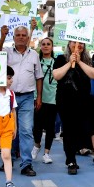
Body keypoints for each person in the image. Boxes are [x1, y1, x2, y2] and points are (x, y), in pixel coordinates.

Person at [0, 21, 42, 177]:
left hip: (28, 97)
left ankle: (26, 163)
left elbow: (39, 77)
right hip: (8, 96)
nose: (21, 38)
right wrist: (2, 36)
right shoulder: (6, 51)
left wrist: (39, 97)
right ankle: (8, 159)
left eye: (24, 35)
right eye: (18, 35)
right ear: (13, 37)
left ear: (27, 37)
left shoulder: (34, 54)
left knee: (26, 130)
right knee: (8, 130)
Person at [53, 41, 94, 175]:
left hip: (83, 101)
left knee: (81, 130)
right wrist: (70, 62)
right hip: (65, 101)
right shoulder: (61, 58)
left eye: (81, 44)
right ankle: (71, 160)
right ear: (68, 44)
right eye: (74, 43)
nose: (78, 45)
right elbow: (57, 75)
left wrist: (79, 62)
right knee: (68, 131)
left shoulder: (88, 60)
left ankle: (76, 152)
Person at [31, 37, 59, 165]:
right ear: (40, 47)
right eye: (43, 44)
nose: (46, 46)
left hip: (52, 98)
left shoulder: (57, 62)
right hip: (37, 98)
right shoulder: (36, 62)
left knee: (50, 127)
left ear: (52, 47)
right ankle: (37, 145)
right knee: (36, 126)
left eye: (48, 44)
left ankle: (46, 153)